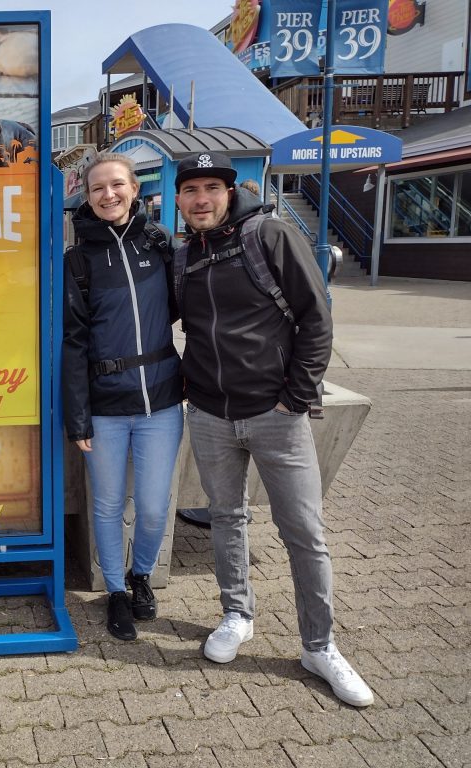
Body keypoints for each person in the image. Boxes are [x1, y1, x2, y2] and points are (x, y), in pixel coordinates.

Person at [172, 151, 373, 707]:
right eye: (191, 190)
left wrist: (296, 397)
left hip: (275, 415)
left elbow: (316, 317)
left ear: (229, 192)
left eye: (212, 187)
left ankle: (320, 645)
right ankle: (237, 614)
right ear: (180, 199)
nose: (201, 199)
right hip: (210, 414)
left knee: (304, 532)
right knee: (225, 519)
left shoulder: (270, 236)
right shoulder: (185, 255)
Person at [62, 152, 183, 643]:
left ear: (134, 188)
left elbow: (186, 307)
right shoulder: (79, 259)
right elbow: (72, 340)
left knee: (153, 507)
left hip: (161, 402)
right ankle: (115, 590)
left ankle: (142, 575)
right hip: (105, 407)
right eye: (97, 188)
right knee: (109, 505)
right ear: (86, 197)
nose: (108, 195)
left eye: (116, 185)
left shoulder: (160, 244)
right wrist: (78, 418)